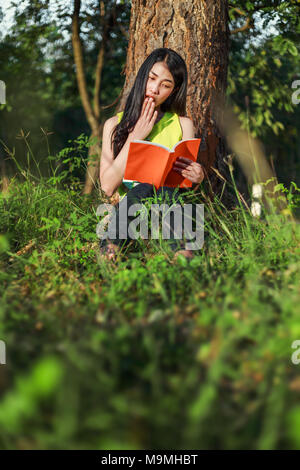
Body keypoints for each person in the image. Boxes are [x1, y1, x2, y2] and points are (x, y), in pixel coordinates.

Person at [99, 48, 205, 261]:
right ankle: (111, 247)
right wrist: (135, 138)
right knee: (145, 185)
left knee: (163, 187)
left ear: (173, 91)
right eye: (152, 79)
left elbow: (184, 186)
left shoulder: (182, 125)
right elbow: (108, 186)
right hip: (127, 213)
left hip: (167, 210)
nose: (155, 89)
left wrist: (197, 176)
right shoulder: (113, 125)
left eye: (166, 85)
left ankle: (181, 252)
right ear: (141, 78)